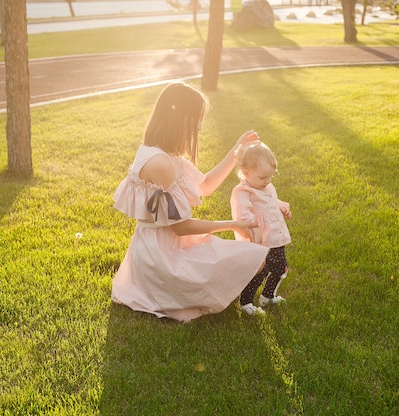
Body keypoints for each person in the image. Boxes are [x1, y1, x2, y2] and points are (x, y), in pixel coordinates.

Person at [111, 81, 269, 322]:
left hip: (167, 245)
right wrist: (234, 224)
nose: (200, 126)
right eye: (197, 118)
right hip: (162, 258)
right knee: (249, 259)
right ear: (180, 118)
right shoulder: (160, 163)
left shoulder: (163, 152)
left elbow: (204, 186)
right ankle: (172, 291)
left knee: (247, 258)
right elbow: (181, 226)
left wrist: (235, 153)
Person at [230, 141, 292, 315]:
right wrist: (255, 229)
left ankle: (268, 296)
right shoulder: (243, 191)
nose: (268, 181)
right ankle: (246, 302)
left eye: (270, 176)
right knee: (259, 272)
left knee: (281, 268)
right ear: (246, 172)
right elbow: (243, 215)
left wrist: (280, 205)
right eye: (263, 178)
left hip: (275, 237)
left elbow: (270, 200)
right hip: (258, 241)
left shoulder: (266, 185)